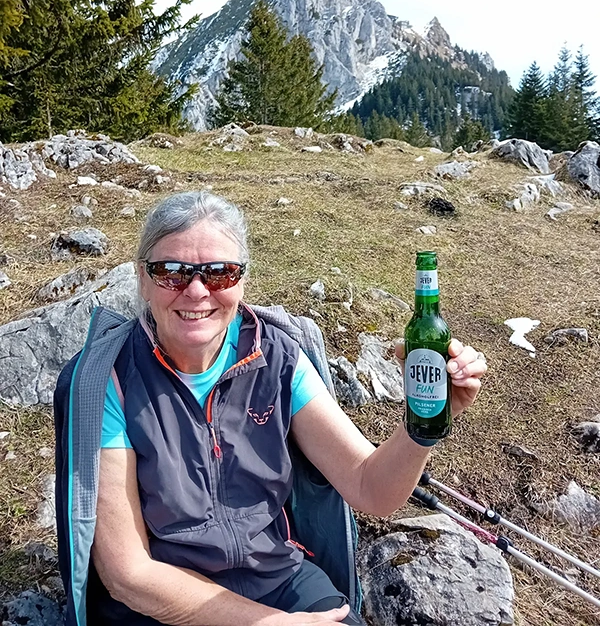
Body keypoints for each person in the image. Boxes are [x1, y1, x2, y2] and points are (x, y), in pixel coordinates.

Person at [54, 191, 487, 626]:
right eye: (172, 272)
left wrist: (422, 425)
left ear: (242, 280)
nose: (198, 290)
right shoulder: (110, 379)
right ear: (143, 280)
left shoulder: (279, 357)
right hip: (166, 598)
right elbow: (128, 573)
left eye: (220, 272)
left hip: (276, 576)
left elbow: (369, 486)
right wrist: (269, 624)